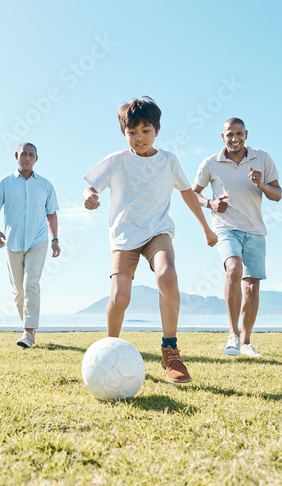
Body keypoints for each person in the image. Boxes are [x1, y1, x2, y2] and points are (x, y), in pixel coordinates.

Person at [83, 96, 218, 384]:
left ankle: (170, 353)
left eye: (145, 130)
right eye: (132, 132)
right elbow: (91, 185)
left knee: (167, 274)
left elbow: (186, 192)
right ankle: (110, 350)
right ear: (124, 134)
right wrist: (90, 196)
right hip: (124, 236)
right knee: (120, 298)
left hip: (158, 231)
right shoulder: (116, 161)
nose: (139, 138)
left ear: (156, 130)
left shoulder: (168, 160)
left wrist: (206, 228)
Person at [192, 117, 281, 357]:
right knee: (234, 268)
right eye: (229, 134)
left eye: (239, 133)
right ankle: (232, 336)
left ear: (246, 134)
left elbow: (277, 194)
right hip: (225, 227)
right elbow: (193, 194)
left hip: (255, 230)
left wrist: (261, 185)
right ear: (223, 137)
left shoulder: (262, 158)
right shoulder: (210, 163)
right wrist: (210, 203)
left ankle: (246, 343)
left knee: (251, 287)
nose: (234, 138)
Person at [0, 142, 61, 348]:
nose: (27, 158)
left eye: (31, 155)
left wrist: (54, 240)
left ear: (36, 158)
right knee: (19, 291)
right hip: (12, 242)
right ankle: (28, 327)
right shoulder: (4, 183)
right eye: (24, 154)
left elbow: (51, 214)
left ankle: (28, 333)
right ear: (17, 156)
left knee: (31, 284)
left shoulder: (45, 185)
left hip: (38, 241)